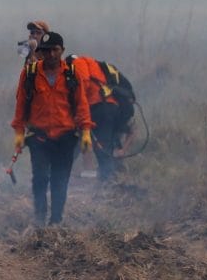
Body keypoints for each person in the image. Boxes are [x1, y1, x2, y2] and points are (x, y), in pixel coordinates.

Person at [11, 32, 94, 225]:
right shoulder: (30, 74)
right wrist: (18, 133)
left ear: (62, 51)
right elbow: (21, 105)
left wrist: (86, 131)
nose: (51, 55)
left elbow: (82, 105)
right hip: (39, 137)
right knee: (39, 179)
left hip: (65, 138)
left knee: (60, 181)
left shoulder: (72, 74)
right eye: (46, 51)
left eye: (55, 50)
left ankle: (55, 221)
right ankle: (40, 220)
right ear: (41, 52)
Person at [68, 55, 136, 181]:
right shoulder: (101, 67)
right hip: (113, 109)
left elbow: (83, 86)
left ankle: (108, 180)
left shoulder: (77, 63)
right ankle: (110, 175)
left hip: (100, 107)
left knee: (101, 146)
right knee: (103, 143)